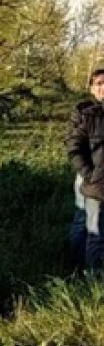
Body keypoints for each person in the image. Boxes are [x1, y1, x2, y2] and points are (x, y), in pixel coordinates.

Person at [67, 67, 104, 270]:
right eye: (98, 84)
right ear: (91, 88)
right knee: (87, 221)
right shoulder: (83, 111)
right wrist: (88, 175)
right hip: (89, 175)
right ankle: (77, 267)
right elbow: (74, 146)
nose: (103, 88)